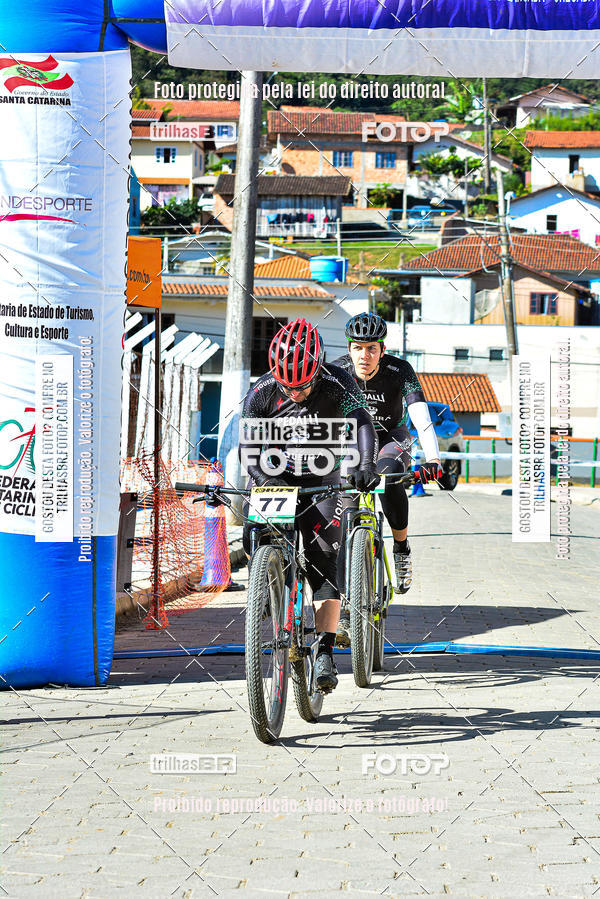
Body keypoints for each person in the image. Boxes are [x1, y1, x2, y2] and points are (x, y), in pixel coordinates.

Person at [238, 317, 379, 692]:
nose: (295, 392)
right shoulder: (263, 391)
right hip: (276, 474)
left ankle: (327, 651)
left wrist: (365, 465)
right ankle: (265, 588)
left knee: (324, 565)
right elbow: (248, 448)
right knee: (255, 530)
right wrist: (266, 480)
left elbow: (364, 425)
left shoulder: (338, 382)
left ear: (317, 370)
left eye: (302, 385)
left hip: (321, 478)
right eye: (289, 386)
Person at [333, 312, 442, 646]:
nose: (364, 356)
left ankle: (401, 547)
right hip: (352, 442)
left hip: (391, 437)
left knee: (391, 475)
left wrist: (433, 457)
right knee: (342, 511)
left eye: (371, 349)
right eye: (357, 348)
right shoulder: (336, 372)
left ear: (382, 350)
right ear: (349, 349)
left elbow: (421, 415)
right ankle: (346, 611)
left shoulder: (400, 370)